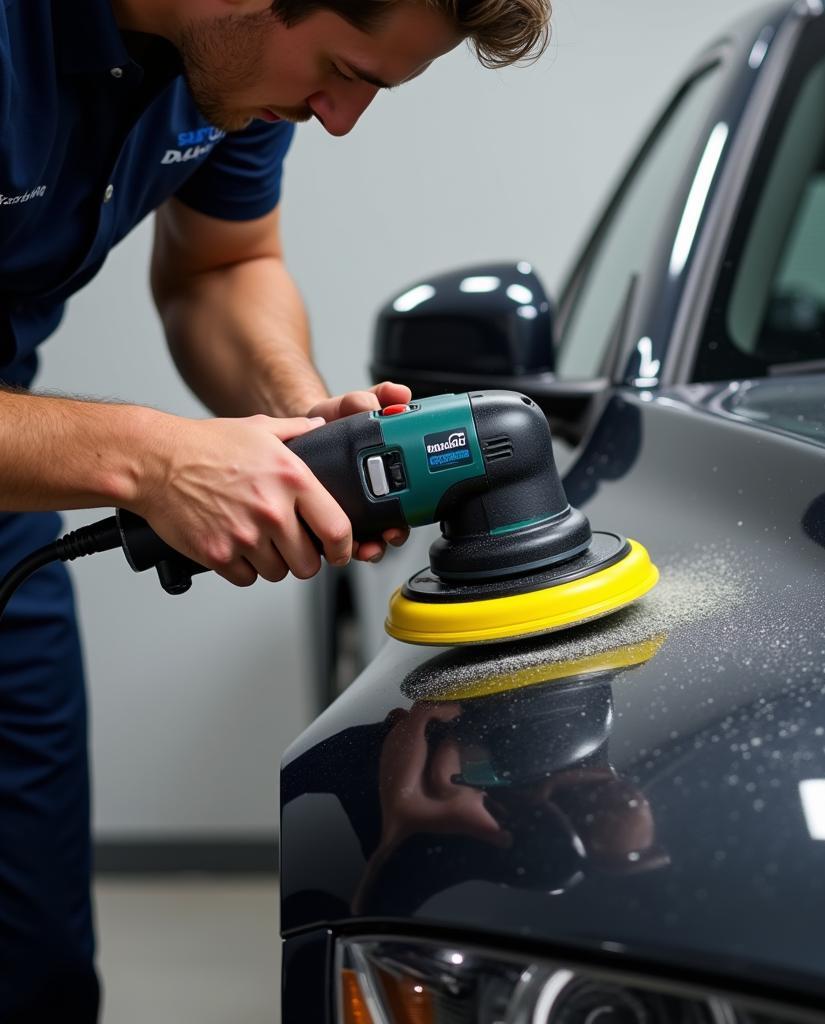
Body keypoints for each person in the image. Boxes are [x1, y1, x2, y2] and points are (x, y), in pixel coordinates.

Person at [0, 0, 551, 1018]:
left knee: (29, 963)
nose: (337, 118)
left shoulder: (221, 72)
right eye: (346, 70)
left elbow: (224, 267)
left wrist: (300, 415)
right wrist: (151, 459)